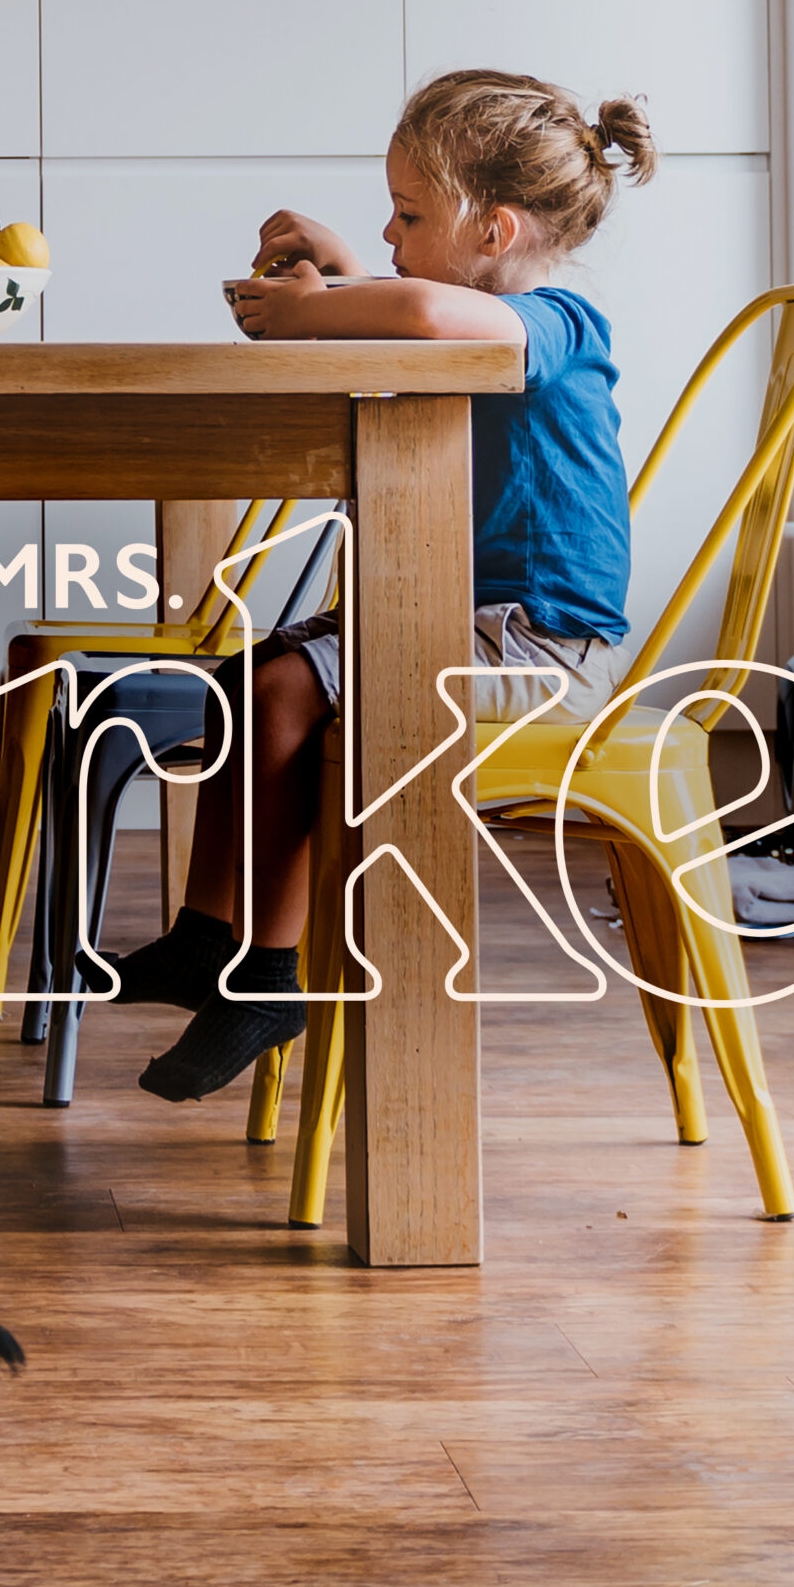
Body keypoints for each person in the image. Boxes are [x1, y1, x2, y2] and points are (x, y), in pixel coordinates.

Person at [108, 68, 656, 1102]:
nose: (390, 233)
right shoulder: (484, 311)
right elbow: (423, 306)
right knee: (246, 680)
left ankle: (267, 976)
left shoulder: (557, 321)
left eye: (409, 215)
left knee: (281, 689)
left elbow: (431, 311)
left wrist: (322, 306)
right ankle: (205, 935)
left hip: (540, 645)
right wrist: (344, 275)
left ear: (494, 231)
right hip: (466, 622)